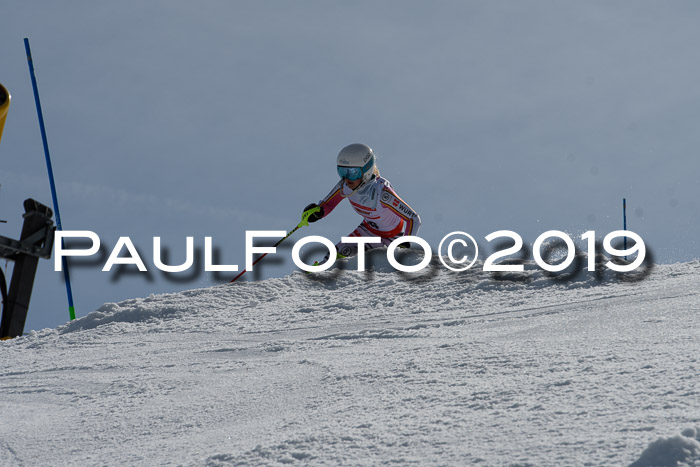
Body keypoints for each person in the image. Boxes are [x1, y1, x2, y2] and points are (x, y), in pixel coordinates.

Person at [302, 143, 421, 263]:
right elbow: (327, 205)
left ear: (366, 171)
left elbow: (413, 219)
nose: (347, 178)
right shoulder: (345, 187)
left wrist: (405, 243)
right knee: (333, 256)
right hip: (367, 232)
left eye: (353, 172)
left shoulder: (382, 192)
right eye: (342, 172)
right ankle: (316, 277)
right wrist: (318, 212)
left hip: (393, 238)